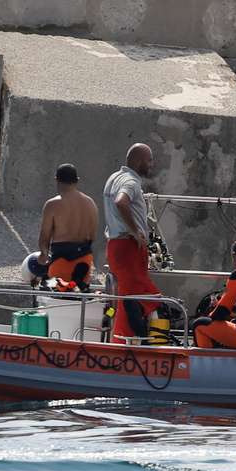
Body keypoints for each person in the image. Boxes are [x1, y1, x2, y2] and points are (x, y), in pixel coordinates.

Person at [103, 143, 162, 342]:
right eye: (149, 160)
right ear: (138, 161)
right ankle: (133, 340)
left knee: (127, 297)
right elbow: (121, 201)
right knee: (141, 296)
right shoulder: (131, 182)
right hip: (128, 247)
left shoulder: (114, 177)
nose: (152, 164)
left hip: (116, 246)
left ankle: (122, 339)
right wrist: (136, 230)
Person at [35, 163, 99, 290]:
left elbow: (44, 238)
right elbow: (92, 236)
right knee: (80, 302)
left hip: (61, 261)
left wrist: (43, 255)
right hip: (84, 262)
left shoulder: (52, 205)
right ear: (77, 180)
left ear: (56, 180)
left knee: (57, 303)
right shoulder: (91, 203)